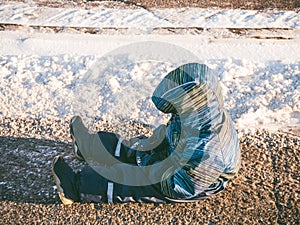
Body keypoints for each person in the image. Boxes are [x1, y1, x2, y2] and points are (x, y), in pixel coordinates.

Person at [52, 63, 241, 205]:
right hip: (182, 154)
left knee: (134, 180)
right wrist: (157, 144)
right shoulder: (202, 111)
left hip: (187, 181)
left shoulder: (211, 148)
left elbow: (182, 187)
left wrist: (150, 166)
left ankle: (76, 187)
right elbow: (175, 132)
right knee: (138, 147)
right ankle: (90, 146)